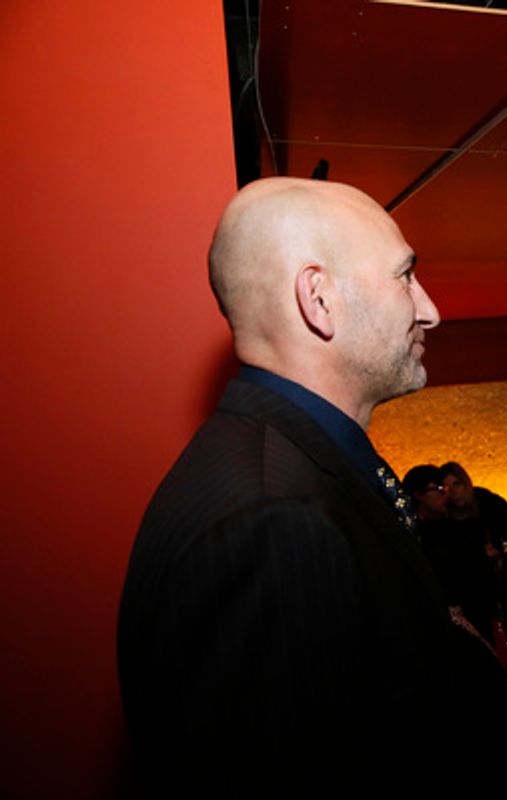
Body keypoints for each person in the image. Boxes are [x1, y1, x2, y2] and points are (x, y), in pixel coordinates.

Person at [117, 178, 450, 796]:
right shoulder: (274, 522)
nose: (429, 308)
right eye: (405, 277)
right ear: (318, 299)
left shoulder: (284, 467)